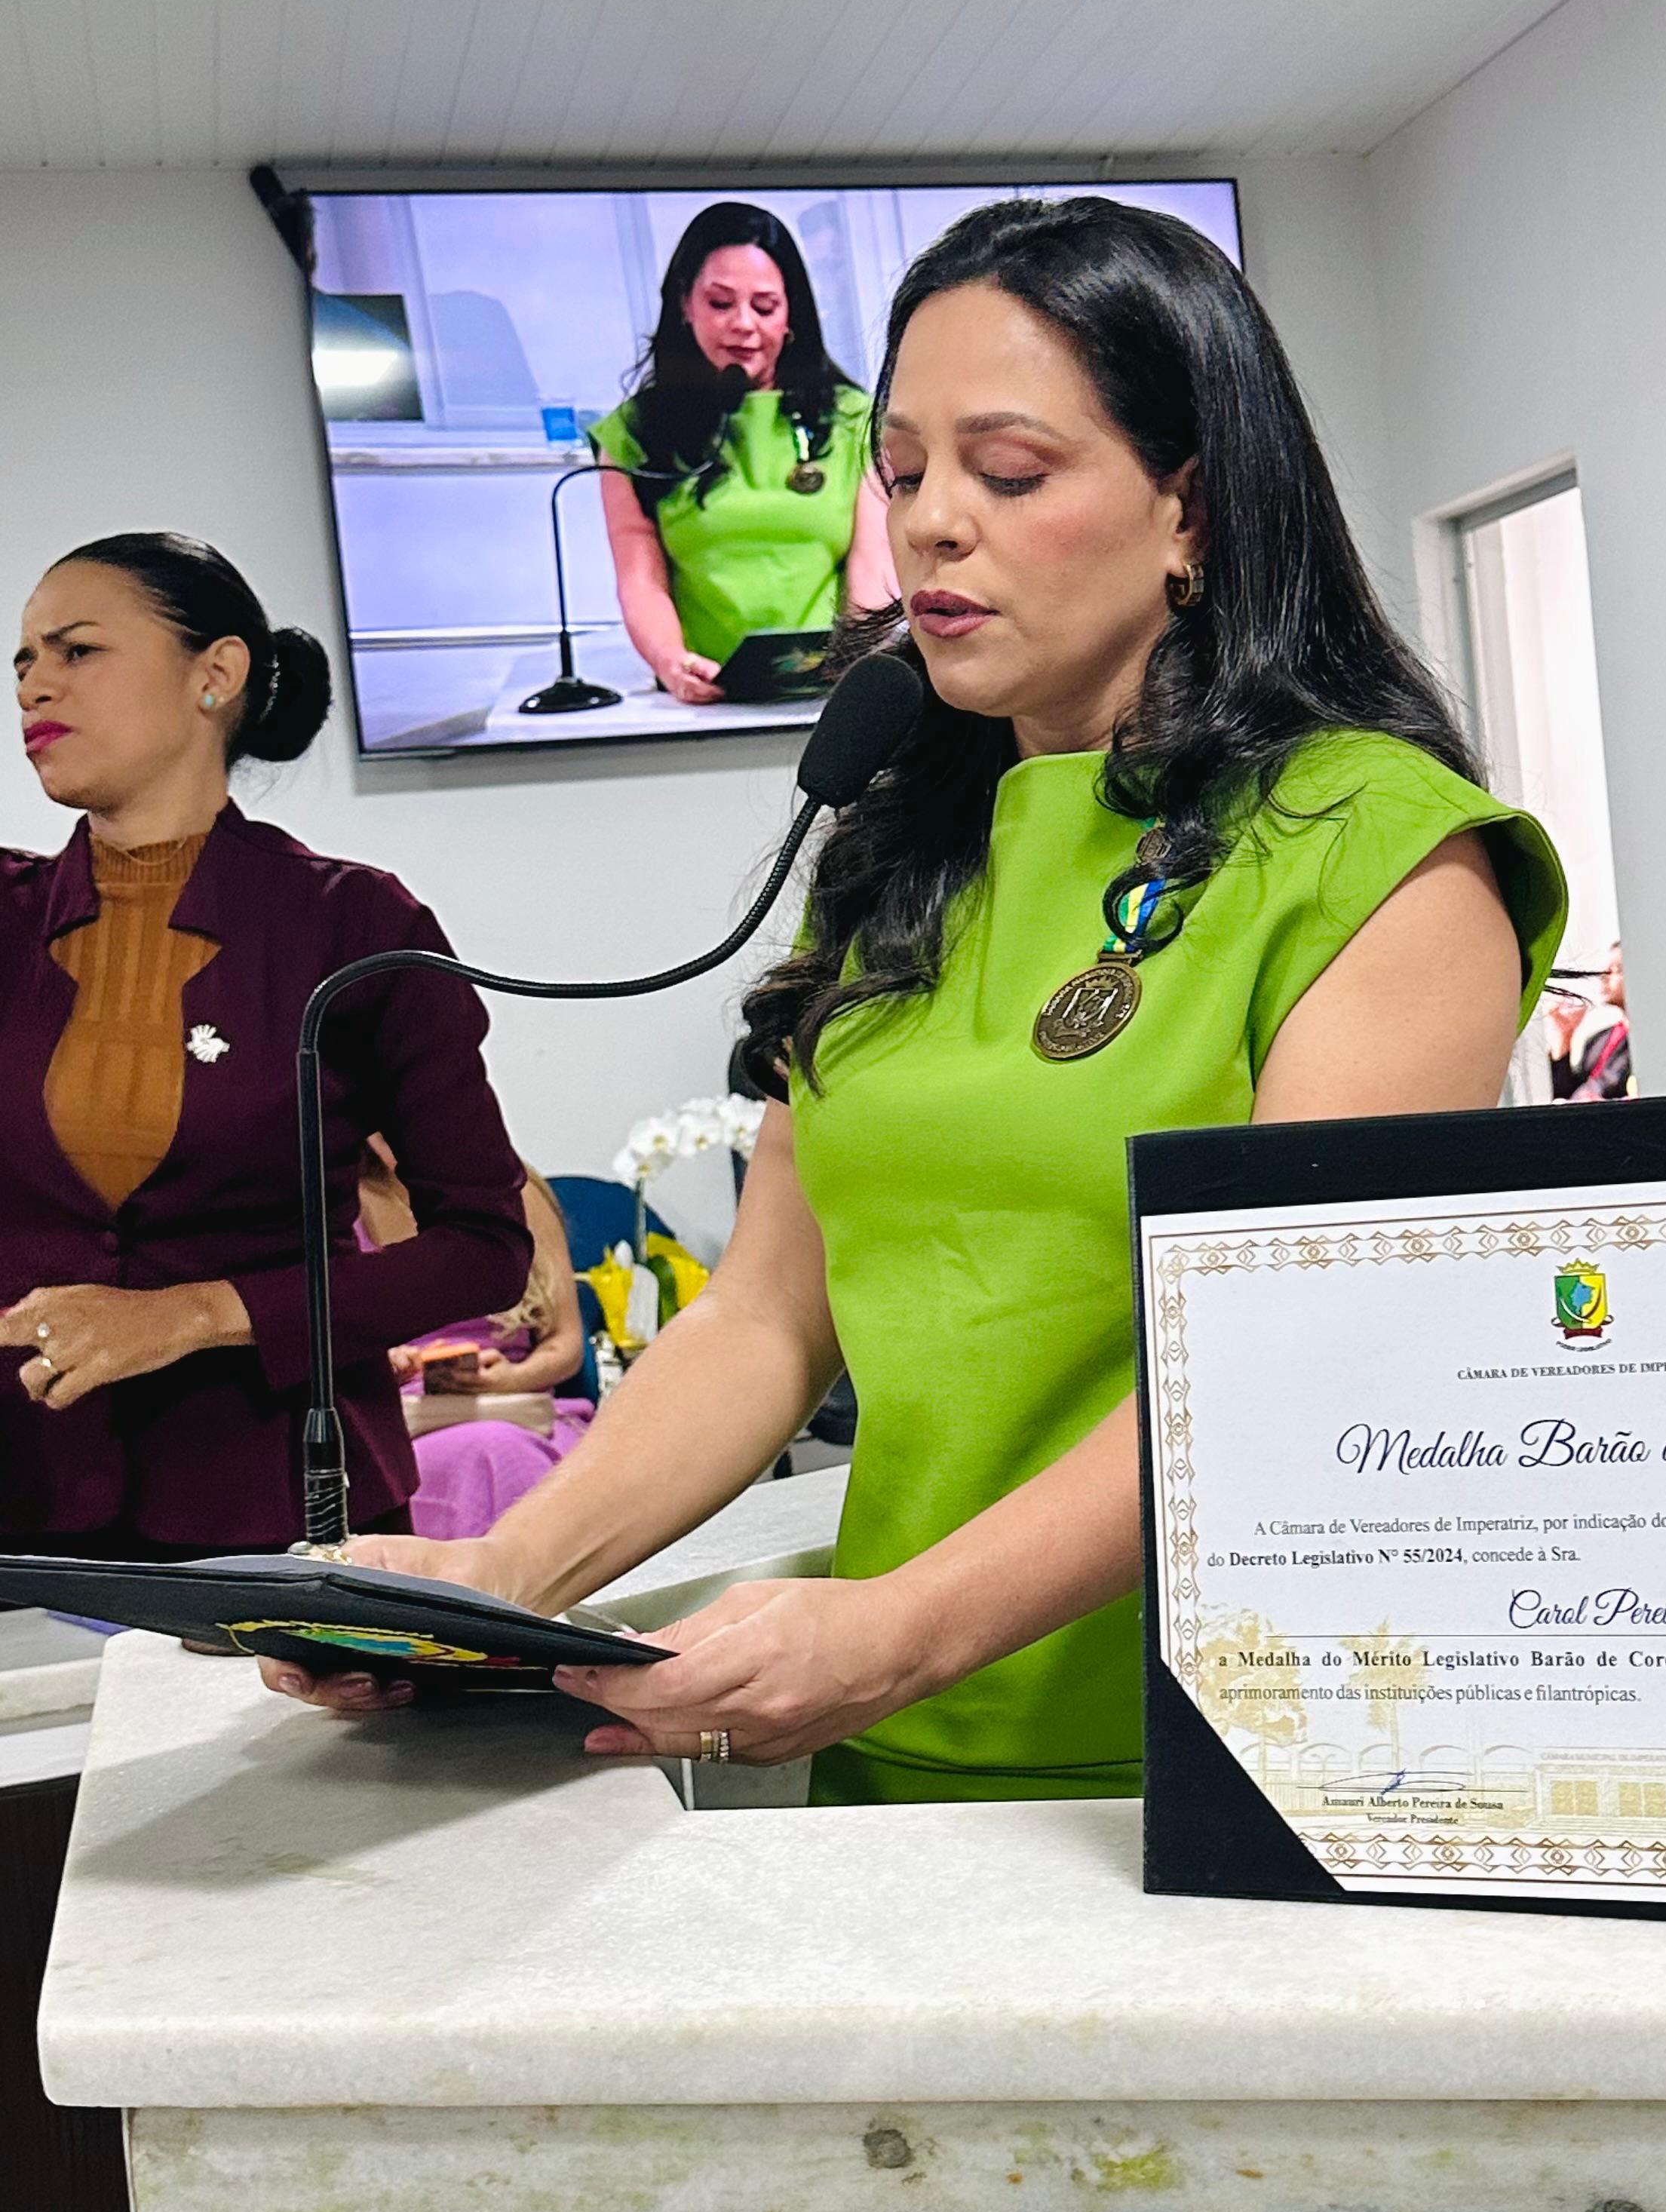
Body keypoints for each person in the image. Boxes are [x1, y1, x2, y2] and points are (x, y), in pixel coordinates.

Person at [276, 197, 1566, 1794]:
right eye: (900, 474)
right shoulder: (903, 853)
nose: (928, 525)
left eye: (1008, 472)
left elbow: (1295, 1363)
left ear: (1194, 509)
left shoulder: (1376, 848)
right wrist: (511, 1576)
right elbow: (767, 1313)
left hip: (1231, 1769)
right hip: (896, 1743)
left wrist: (903, 1628)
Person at [2, 534, 530, 1554]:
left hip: (280, 1507)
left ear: (216, 673)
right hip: (25, 1519)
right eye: (22, 661)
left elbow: (485, 1251)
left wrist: (195, 1313)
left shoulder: (355, 924)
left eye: (75, 651)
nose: (33, 685)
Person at [590, 203, 897, 703]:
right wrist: (672, 662)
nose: (743, 325)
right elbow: (640, 579)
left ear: (791, 313)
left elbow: (873, 567)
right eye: (720, 303)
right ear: (685, 306)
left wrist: (857, 662)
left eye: (765, 306)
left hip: (829, 693)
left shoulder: (853, 419)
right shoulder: (635, 432)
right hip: (700, 698)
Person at [357, 1140, 594, 1544]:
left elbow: (566, 1343)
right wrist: (374, 1365)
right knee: (473, 1457)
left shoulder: (514, 1190)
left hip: (516, 1408)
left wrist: (512, 1378)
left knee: (503, 1451)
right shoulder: (329, 1206)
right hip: (396, 1429)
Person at [1545, 940, 1632, 1100]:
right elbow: (1563, 1093)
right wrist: (1564, 1035)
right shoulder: (1598, 1040)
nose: (1603, 977)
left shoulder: (1648, 1044)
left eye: (1615, 970)